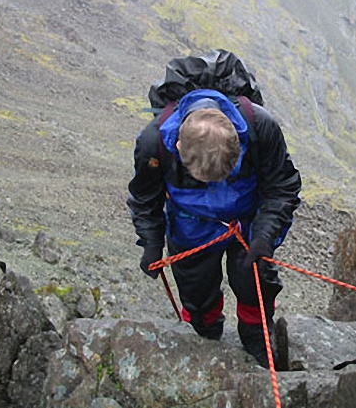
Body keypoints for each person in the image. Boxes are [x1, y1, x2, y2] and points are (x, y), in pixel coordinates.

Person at [127, 84, 301, 368]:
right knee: (196, 289)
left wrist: (265, 236)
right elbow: (146, 197)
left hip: (246, 226)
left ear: (237, 141)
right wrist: (151, 244)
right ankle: (202, 332)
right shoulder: (153, 143)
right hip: (190, 228)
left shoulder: (261, 128)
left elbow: (281, 187)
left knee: (254, 282)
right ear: (179, 146)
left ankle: (256, 332)